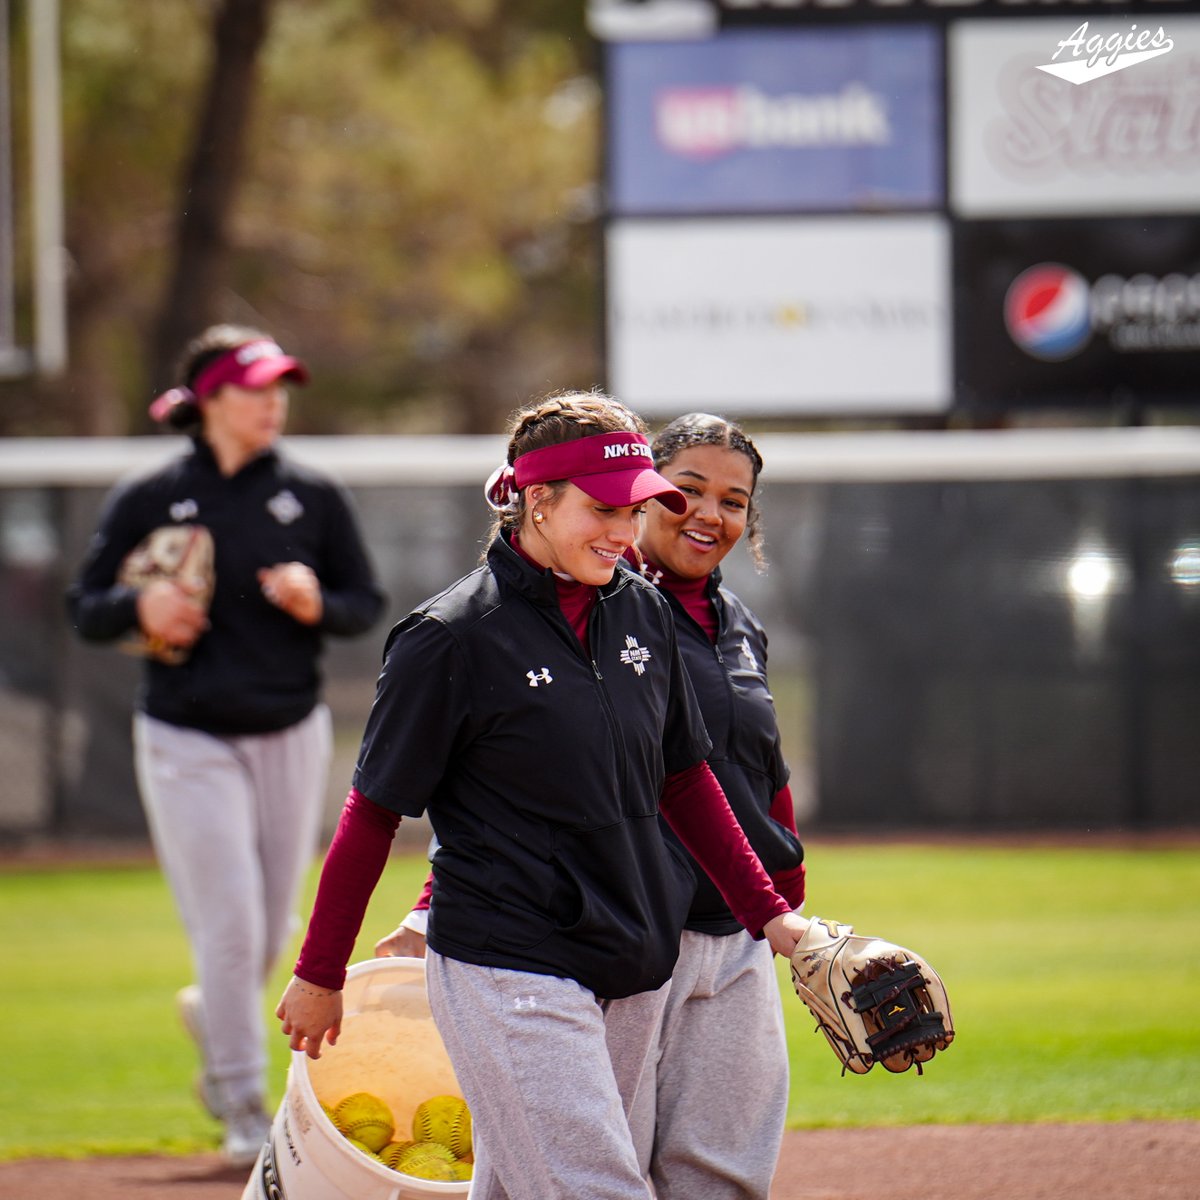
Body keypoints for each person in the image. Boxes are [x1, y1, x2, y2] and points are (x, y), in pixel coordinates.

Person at [276, 391, 809, 1200]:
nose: (626, 534)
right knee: (598, 1189)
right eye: (603, 509)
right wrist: (318, 972)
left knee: (525, 1185)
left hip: (630, 952)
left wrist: (773, 917)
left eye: (635, 511)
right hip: (508, 954)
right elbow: (373, 814)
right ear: (536, 500)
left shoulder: (642, 611)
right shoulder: (450, 635)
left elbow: (685, 779)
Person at [66, 324, 385, 1165]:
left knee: (270, 919)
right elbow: (85, 604)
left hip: (289, 726)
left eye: (280, 387)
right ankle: (245, 1102)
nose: (273, 402)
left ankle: (217, 1012)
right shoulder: (150, 493)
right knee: (232, 925)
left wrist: (319, 600)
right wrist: (141, 611)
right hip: (186, 734)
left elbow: (365, 602)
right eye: (254, 388)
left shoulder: (312, 494)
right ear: (209, 401)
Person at [625, 412, 806, 1199]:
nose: (710, 514)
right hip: (630, 931)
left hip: (734, 931)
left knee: (724, 1170)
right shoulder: (598, 612)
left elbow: (764, 769)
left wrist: (786, 905)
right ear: (642, 490)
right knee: (604, 1167)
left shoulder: (738, 624)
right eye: (687, 490)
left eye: (734, 502)